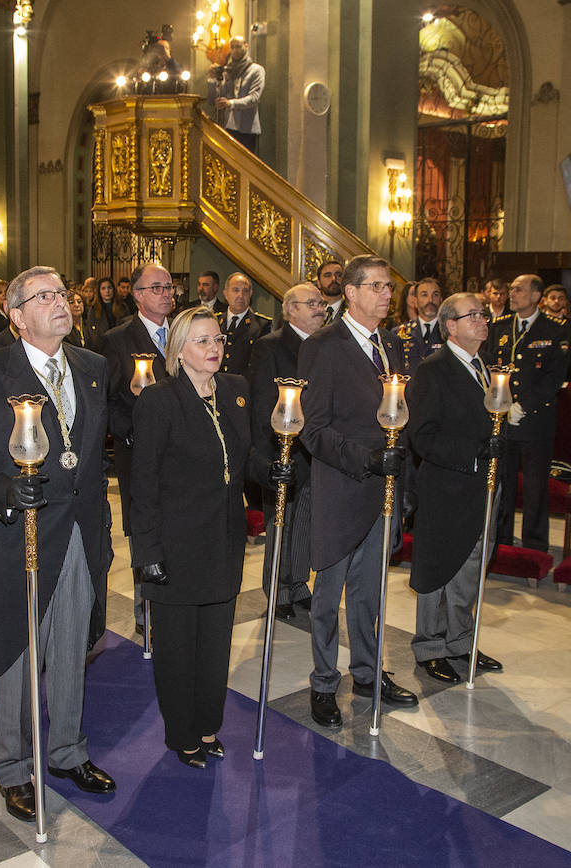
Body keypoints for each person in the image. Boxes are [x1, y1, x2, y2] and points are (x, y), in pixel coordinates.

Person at [0, 266, 117, 822]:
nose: (60, 303)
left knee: (72, 645)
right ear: (17, 315)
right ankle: (13, 767)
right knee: (18, 651)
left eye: (63, 294)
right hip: (18, 532)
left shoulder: (93, 368)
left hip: (78, 530)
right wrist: (4, 489)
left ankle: (67, 751)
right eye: (43, 297)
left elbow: (94, 455)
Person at [132, 306, 257, 767]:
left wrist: (280, 466)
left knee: (215, 646)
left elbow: (244, 463)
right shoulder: (159, 401)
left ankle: (208, 725)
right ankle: (182, 734)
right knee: (177, 650)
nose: (214, 349)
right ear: (178, 350)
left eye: (218, 339)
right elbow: (142, 486)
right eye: (202, 341)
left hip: (223, 541)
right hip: (176, 546)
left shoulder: (236, 392)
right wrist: (147, 552)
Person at [299, 254, 416, 728]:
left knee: (370, 592)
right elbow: (312, 428)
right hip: (341, 485)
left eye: (389, 287)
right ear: (350, 292)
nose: (388, 294)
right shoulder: (324, 346)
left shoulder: (390, 343)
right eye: (377, 287)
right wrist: (364, 459)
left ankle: (367, 673)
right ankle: (323, 682)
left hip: (383, 489)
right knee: (328, 595)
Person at [408, 293, 504, 684]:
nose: (482, 321)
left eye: (484, 315)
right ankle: (430, 646)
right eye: (473, 316)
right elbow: (422, 436)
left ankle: (461, 640)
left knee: (472, 565)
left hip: (482, 486)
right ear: (451, 325)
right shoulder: (433, 370)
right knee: (440, 566)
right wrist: (476, 453)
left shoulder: (484, 367)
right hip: (448, 485)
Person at [102, 263, 175, 636]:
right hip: (140, 451)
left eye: (169, 286)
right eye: (157, 287)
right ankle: (146, 609)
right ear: (138, 294)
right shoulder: (117, 340)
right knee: (145, 528)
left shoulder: (182, 332)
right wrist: (128, 433)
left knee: (178, 525)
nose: (166, 293)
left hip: (181, 451)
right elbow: (109, 399)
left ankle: (175, 602)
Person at [247, 282, 325, 619]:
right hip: (283, 450)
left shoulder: (324, 346)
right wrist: (272, 453)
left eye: (321, 302)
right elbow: (262, 402)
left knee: (305, 521)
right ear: (290, 309)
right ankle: (277, 589)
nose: (320, 308)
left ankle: (298, 584)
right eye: (312, 303)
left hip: (316, 450)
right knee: (281, 521)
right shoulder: (271, 346)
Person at [482, 274, 570, 553]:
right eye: (512, 289)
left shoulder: (555, 329)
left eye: (519, 290)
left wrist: (524, 405)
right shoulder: (499, 326)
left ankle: (533, 546)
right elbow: (487, 365)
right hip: (502, 418)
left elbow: (554, 377)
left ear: (536, 296)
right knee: (502, 483)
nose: (512, 294)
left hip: (535, 421)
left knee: (534, 488)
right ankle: (503, 541)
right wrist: (501, 403)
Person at [208, 36, 265, 154]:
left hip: (247, 129)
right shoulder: (228, 70)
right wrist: (212, 79)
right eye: (232, 47)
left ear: (246, 46)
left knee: (246, 165)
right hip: (228, 126)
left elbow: (254, 98)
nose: (235, 50)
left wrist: (231, 103)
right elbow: (215, 98)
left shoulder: (256, 70)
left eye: (238, 47)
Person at [217, 272, 270, 375]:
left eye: (245, 291)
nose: (240, 296)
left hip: (244, 386)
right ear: (226, 294)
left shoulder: (262, 326)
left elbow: (261, 366)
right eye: (235, 290)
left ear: (250, 294)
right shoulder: (214, 322)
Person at [395, 278, 444, 372]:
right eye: (424, 295)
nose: (430, 300)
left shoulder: (449, 333)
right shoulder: (400, 333)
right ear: (416, 301)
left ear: (441, 300)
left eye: (435, 295)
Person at [86, 277, 127, 344]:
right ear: (99, 291)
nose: (107, 291)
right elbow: (92, 332)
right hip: (101, 345)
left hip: (120, 343)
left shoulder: (122, 307)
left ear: (113, 289)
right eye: (103, 288)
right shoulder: (94, 309)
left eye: (109, 288)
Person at [316, 259, 345, 325]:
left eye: (339, 275)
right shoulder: (311, 310)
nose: (334, 279)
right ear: (318, 283)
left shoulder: (353, 310)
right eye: (328, 275)